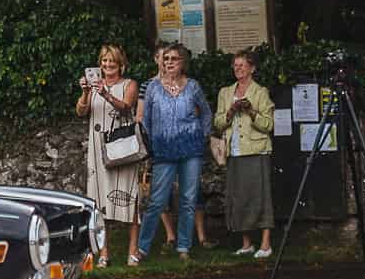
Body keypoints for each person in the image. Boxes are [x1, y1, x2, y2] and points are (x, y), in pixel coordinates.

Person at [136, 43, 212, 262]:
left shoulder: (193, 86)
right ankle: (142, 248)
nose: (169, 62)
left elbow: (206, 114)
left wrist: (203, 136)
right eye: (166, 58)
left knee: (188, 199)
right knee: (157, 201)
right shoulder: (152, 87)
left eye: (174, 59)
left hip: (191, 150)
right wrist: (151, 145)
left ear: (183, 63)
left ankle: (184, 247)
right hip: (164, 152)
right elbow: (146, 120)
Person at [77, 44, 140, 267]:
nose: (107, 65)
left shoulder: (129, 84)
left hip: (122, 146)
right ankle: (104, 252)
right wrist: (86, 92)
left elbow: (126, 107)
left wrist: (105, 94)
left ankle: (133, 251)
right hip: (98, 148)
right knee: (100, 200)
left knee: (129, 197)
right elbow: (81, 111)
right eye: (104, 61)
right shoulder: (93, 86)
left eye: (112, 61)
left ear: (120, 63)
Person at [215, 49, 277, 258]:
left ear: (252, 68)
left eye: (242, 65)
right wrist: (231, 111)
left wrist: (251, 111)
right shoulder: (225, 92)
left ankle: (266, 244)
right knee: (239, 197)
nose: (237, 68)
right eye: (235, 65)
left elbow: (268, 125)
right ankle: (247, 243)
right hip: (234, 151)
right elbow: (218, 123)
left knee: (261, 197)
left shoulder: (260, 92)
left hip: (257, 150)